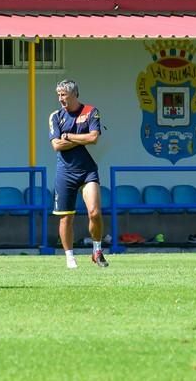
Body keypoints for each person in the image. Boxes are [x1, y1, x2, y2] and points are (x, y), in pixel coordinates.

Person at [49, 79, 109, 269]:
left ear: (74, 94)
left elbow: (94, 138)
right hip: (65, 172)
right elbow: (56, 145)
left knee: (95, 212)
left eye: (63, 95)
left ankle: (97, 251)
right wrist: (80, 139)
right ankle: (70, 258)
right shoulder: (55, 116)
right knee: (66, 217)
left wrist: (68, 136)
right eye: (58, 95)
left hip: (87, 170)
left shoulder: (91, 111)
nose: (60, 99)